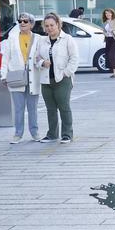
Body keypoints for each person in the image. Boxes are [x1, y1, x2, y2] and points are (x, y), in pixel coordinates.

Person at [34, 13, 79, 144]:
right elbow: (36, 58)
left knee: (64, 107)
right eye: (46, 26)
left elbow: (74, 58)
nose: (49, 28)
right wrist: (42, 63)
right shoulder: (42, 41)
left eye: (52, 25)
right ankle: (52, 134)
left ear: (58, 24)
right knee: (50, 108)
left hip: (62, 79)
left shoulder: (67, 39)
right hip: (46, 80)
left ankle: (67, 134)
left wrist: (66, 72)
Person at [0, 11, 40, 143]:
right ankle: (18, 134)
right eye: (20, 21)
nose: (22, 23)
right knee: (18, 108)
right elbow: (5, 58)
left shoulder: (38, 39)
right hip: (16, 77)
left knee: (33, 107)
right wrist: (3, 75)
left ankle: (34, 132)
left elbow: (42, 56)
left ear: (31, 24)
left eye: (25, 21)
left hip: (33, 76)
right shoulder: (12, 39)